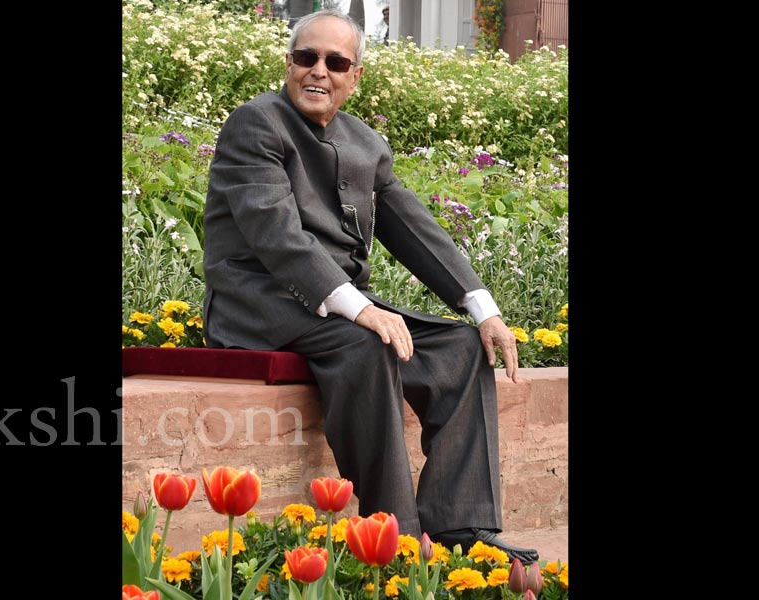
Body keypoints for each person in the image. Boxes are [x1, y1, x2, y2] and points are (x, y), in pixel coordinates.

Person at [201, 9, 539, 564]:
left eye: (336, 62)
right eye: (306, 58)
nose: (319, 72)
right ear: (288, 64)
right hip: (256, 304)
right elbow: (278, 238)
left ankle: (460, 528)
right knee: (370, 342)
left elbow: (414, 230)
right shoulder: (255, 124)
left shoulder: (365, 141)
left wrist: (483, 309)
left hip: (335, 307)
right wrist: (362, 311)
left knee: (458, 350)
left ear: (355, 76)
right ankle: (393, 537)